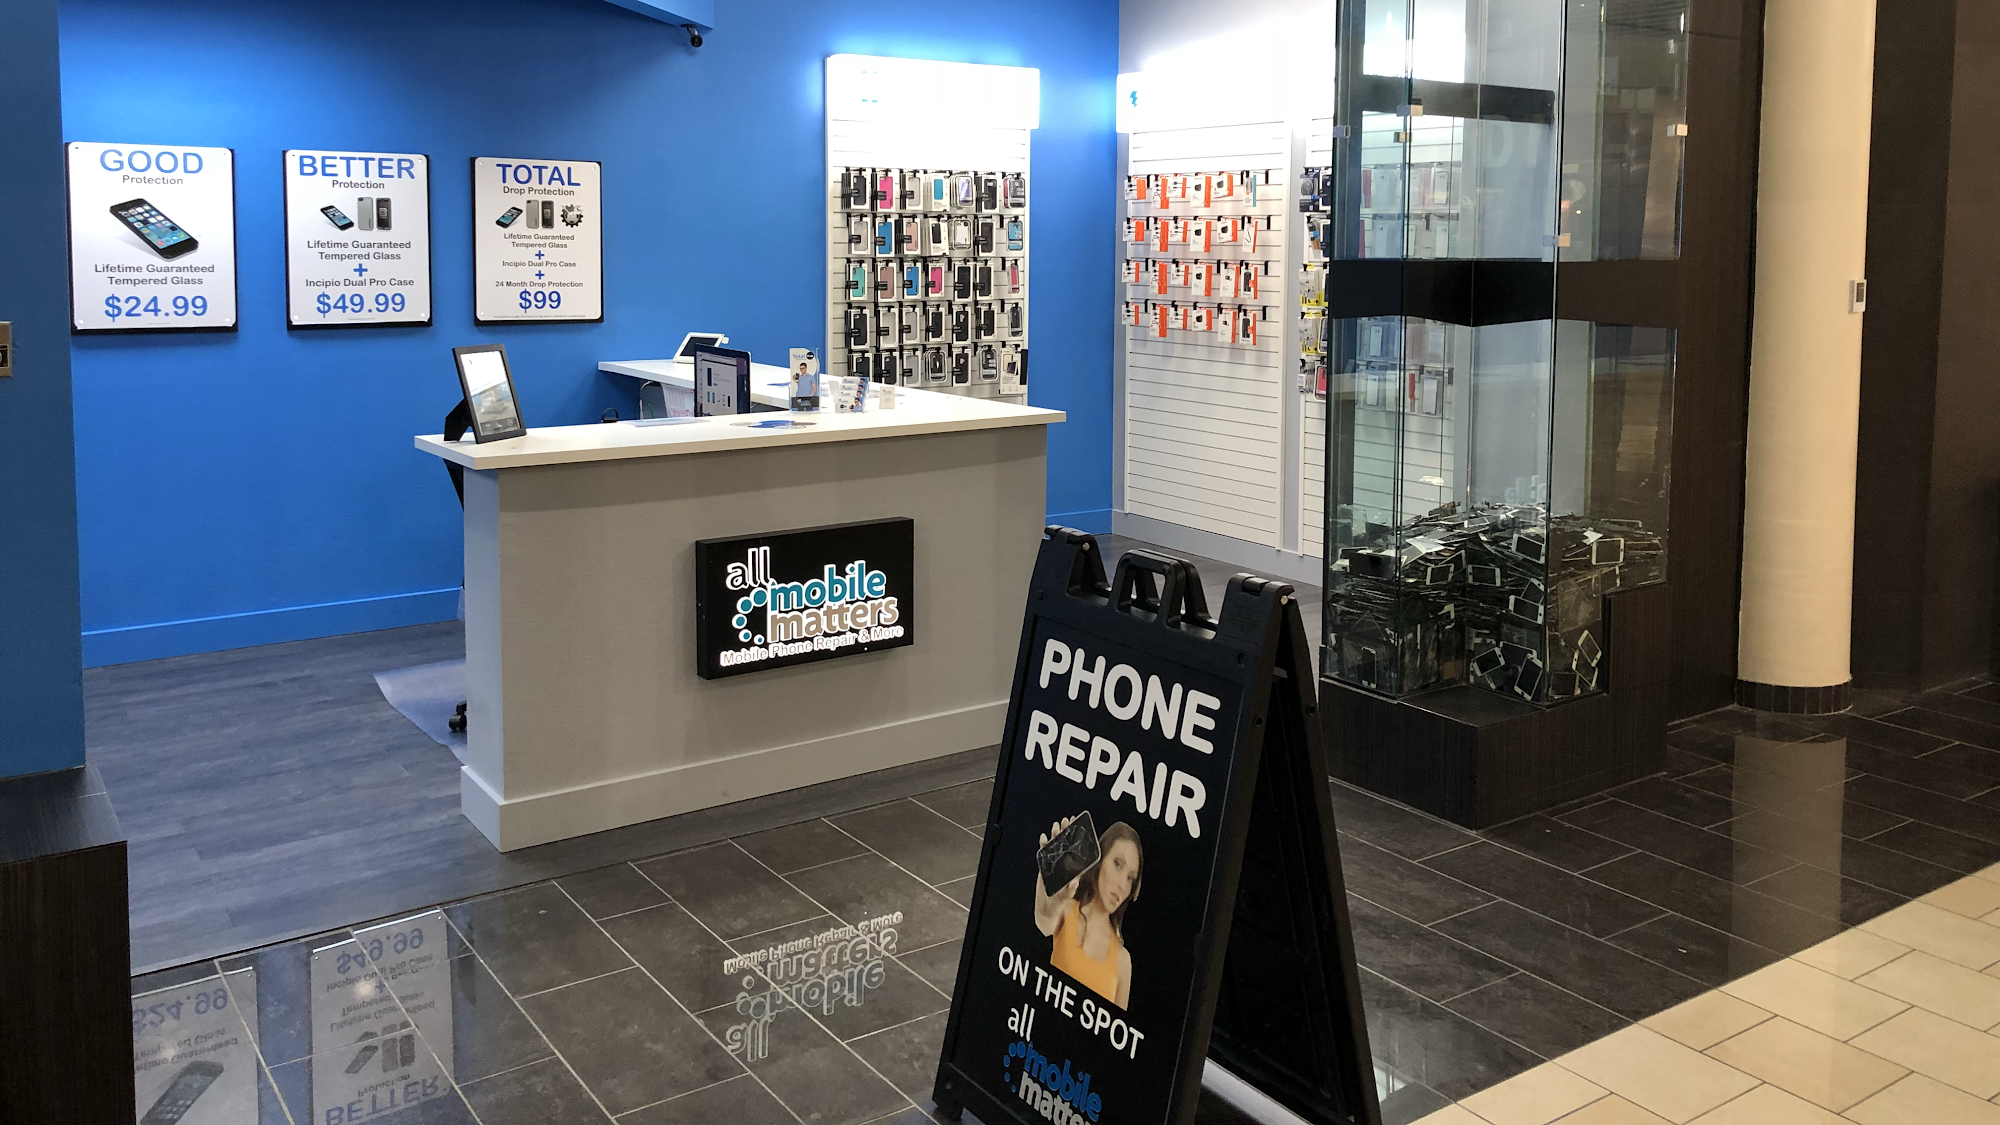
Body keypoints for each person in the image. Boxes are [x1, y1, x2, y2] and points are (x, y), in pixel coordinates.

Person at [1033, 817, 1142, 1009]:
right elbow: (1044, 922)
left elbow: (1115, 1026)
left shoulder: (1122, 961)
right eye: (1117, 864)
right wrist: (1048, 898)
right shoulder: (1067, 909)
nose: (1122, 885)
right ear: (1101, 857)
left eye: (1130, 878)